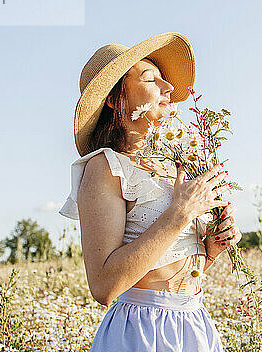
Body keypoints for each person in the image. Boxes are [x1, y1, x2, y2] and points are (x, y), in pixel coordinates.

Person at [58, 32, 242, 351]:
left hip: (194, 324)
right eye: (150, 78)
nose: (168, 87)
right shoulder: (105, 168)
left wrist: (210, 250)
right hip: (142, 333)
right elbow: (105, 286)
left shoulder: (175, 166)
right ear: (115, 99)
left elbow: (170, 274)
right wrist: (180, 214)